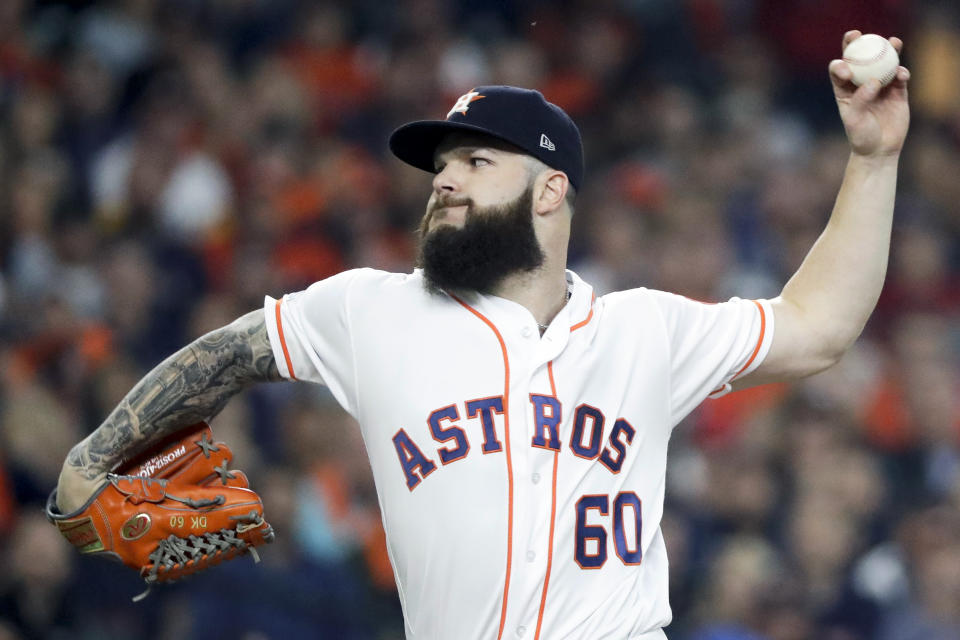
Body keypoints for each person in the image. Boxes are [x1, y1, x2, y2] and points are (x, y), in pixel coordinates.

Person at [53, 31, 910, 639]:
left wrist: (873, 160)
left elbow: (818, 328)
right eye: (441, 168)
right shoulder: (372, 311)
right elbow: (231, 353)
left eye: (475, 162)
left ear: (549, 192)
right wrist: (99, 451)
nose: (446, 183)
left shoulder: (644, 328)